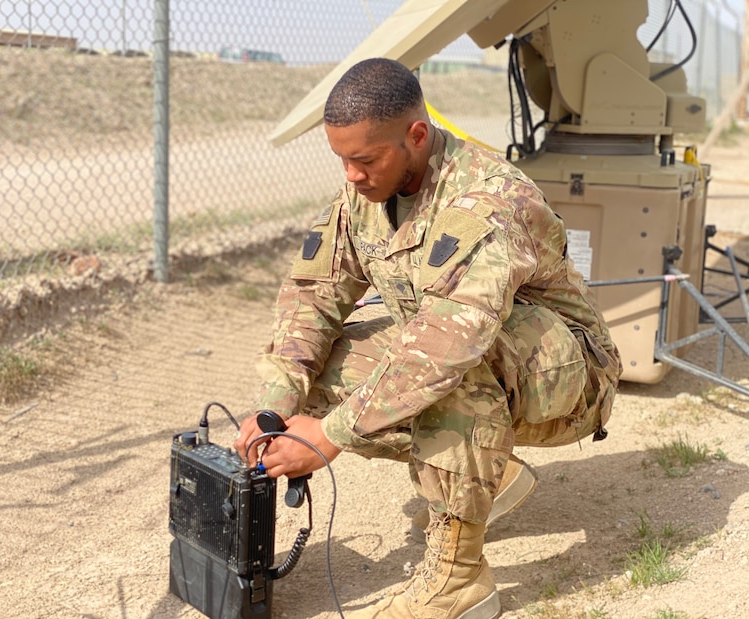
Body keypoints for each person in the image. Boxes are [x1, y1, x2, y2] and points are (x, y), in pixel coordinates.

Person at [233, 57, 622, 619]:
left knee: (443, 362)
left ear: (416, 136)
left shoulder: (486, 198)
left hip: (569, 377)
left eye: (364, 159)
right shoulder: (366, 196)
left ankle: (459, 582)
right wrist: (277, 405)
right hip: (492, 358)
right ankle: (490, 470)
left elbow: (448, 343)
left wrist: (330, 435)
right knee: (327, 367)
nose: (350, 175)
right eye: (341, 159)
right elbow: (315, 294)